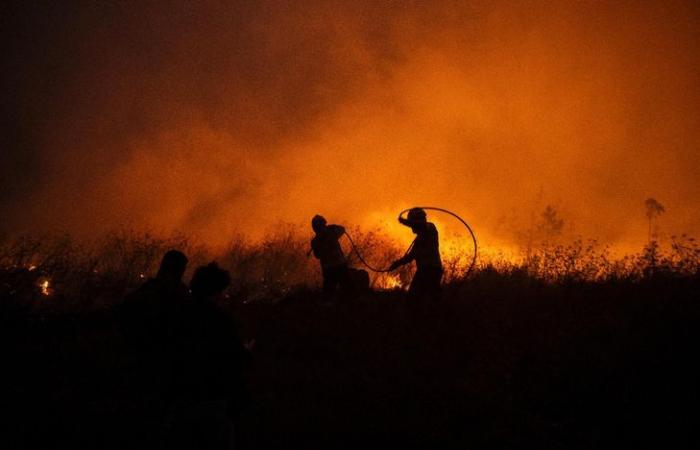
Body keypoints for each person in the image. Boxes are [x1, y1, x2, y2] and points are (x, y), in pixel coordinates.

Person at [170, 262, 252, 450]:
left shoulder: (179, 314)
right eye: (221, 291)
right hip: (213, 399)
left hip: (180, 398)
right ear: (216, 291)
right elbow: (235, 356)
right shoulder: (220, 319)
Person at [388, 208, 443, 300]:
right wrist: (396, 264)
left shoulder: (430, 228)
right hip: (426, 271)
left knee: (416, 300)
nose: (412, 227)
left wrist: (405, 222)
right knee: (422, 300)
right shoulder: (418, 240)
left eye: (412, 223)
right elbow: (410, 257)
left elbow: (421, 225)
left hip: (430, 271)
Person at [310, 215, 349, 301]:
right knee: (331, 294)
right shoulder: (329, 234)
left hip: (334, 268)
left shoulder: (318, 239)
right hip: (335, 268)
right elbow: (317, 255)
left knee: (345, 291)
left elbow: (342, 229)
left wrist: (333, 227)